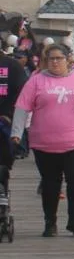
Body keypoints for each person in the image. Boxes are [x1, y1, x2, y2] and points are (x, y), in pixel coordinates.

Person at [10, 44, 74, 237]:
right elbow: (22, 108)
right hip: (45, 142)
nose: (55, 62)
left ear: (68, 60)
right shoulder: (36, 81)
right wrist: (16, 133)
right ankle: (50, 222)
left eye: (59, 58)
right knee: (50, 184)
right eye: (51, 59)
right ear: (46, 61)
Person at [0, 46, 28, 192]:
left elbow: (24, 96)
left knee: (3, 165)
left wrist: (11, 115)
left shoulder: (12, 66)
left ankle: (3, 197)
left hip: (5, 124)